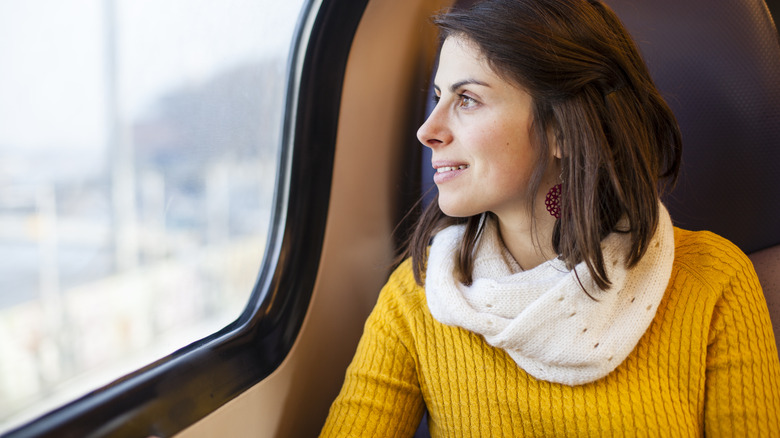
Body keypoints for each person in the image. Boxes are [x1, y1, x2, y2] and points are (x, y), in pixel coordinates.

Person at [320, 0, 780, 436]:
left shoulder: (713, 283)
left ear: (562, 129)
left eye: (467, 100)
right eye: (439, 96)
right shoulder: (415, 299)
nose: (427, 131)